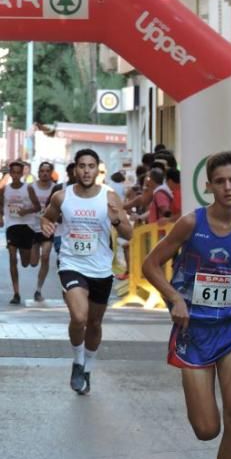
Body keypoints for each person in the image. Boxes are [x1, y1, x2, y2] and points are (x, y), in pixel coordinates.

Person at [141, 151, 231, 459]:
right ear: (208, 186)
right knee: (207, 429)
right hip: (194, 331)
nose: (227, 187)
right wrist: (174, 298)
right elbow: (150, 264)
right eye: (219, 181)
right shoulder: (191, 224)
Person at [41, 149, 133, 394]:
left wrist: (115, 220)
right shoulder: (62, 197)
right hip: (72, 264)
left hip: (101, 269)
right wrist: (46, 225)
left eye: (91, 166)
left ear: (97, 169)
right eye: (82, 166)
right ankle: (77, 360)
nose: (86, 171)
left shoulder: (110, 197)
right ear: (75, 169)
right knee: (79, 317)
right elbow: (47, 216)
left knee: (94, 323)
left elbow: (129, 234)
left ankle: (88, 368)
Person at [1, 161, 42, 304]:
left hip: (27, 226)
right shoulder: (5, 189)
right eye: (14, 172)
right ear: (10, 173)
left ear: (22, 173)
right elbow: (0, 205)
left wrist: (26, 210)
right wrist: (0, 217)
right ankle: (16, 293)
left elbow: (37, 207)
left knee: (25, 262)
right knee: (12, 257)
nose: (16, 175)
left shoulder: (28, 188)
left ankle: (30, 253)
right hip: (12, 226)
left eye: (19, 172)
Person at [29, 162, 58, 302]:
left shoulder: (55, 189)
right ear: (38, 172)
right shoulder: (32, 187)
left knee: (45, 256)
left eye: (47, 171)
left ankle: (38, 290)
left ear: (51, 172)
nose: (45, 173)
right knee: (33, 262)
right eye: (42, 171)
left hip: (48, 227)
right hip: (33, 227)